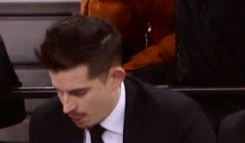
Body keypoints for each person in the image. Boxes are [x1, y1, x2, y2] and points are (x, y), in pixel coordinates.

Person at [29, 15, 213, 143]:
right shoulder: (46, 121)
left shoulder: (175, 118)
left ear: (115, 78)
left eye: (79, 92)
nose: (66, 107)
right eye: (59, 91)